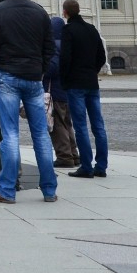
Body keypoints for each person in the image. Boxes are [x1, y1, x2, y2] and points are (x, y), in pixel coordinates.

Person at [0, 0, 58, 204]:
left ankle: (6, 191)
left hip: (8, 77)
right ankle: (49, 190)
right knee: (41, 134)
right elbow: (49, 47)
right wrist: (39, 69)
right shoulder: (39, 11)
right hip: (33, 79)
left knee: (10, 134)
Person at [58, 0, 109, 178]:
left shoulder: (68, 30)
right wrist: (92, 70)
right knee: (98, 125)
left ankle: (86, 166)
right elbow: (101, 56)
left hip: (75, 84)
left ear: (65, 12)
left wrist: (65, 78)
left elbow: (65, 58)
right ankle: (101, 166)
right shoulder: (91, 29)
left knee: (80, 126)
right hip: (91, 83)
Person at [47, 13, 80, 170]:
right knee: (68, 124)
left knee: (58, 125)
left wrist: (41, 71)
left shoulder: (54, 46)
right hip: (68, 91)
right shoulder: (68, 44)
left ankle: (64, 156)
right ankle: (73, 154)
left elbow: (52, 68)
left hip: (56, 92)